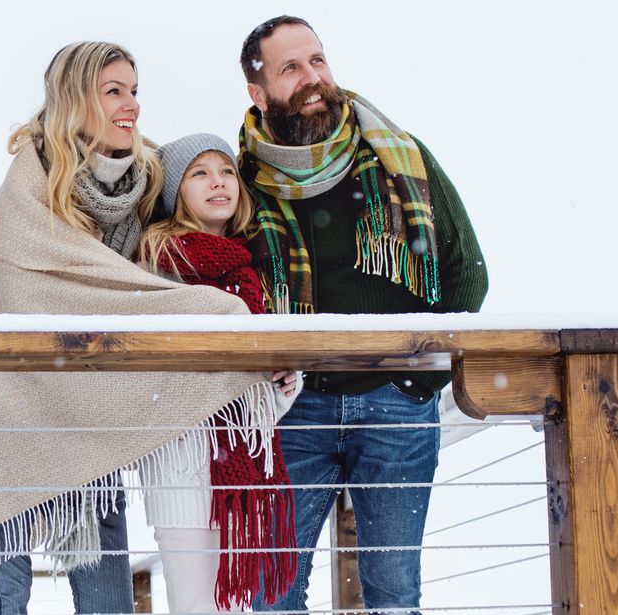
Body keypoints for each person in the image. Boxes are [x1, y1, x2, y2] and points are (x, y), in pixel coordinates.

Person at [0, 41, 288, 615]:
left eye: (135, 91)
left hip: (92, 426)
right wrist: (214, 313)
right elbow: (64, 295)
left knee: (107, 602)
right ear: (74, 101)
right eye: (113, 91)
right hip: (8, 417)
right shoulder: (25, 191)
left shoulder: (145, 184)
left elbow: (149, 284)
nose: (132, 106)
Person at [233, 16, 491, 612]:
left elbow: (467, 272)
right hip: (293, 409)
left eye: (317, 60)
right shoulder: (241, 179)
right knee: (275, 596)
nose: (312, 78)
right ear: (257, 91)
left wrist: (419, 378)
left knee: (394, 592)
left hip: (395, 402)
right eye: (290, 68)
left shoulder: (400, 159)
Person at [138, 133, 304, 612]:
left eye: (227, 171)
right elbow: (162, 375)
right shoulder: (158, 266)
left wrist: (285, 383)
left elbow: (258, 394)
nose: (219, 182)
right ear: (176, 193)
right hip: (184, 472)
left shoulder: (246, 273)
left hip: (240, 479)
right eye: (201, 173)